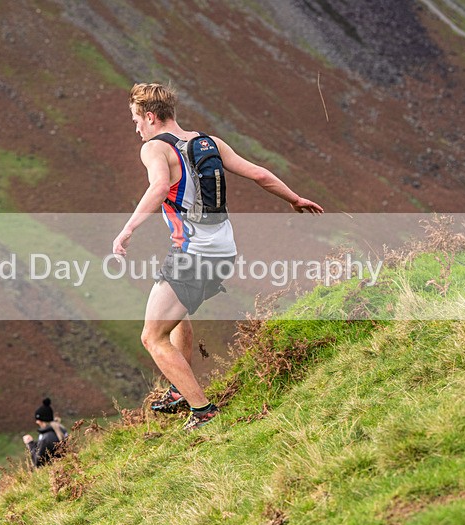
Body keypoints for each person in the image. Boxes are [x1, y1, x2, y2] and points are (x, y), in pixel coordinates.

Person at [113, 82, 323, 431]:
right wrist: (294, 198)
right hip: (222, 248)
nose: (136, 127)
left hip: (195, 252)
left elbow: (159, 187)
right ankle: (180, 391)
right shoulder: (207, 142)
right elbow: (258, 173)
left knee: (152, 337)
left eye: (136, 119)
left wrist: (127, 230)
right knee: (173, 313)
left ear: (150, 117)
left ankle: (203, 410)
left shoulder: (154, 148)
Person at [22, 398, 68, 467]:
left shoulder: (46, 438)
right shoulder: (60, 428)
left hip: (55, 471)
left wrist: (30, 444)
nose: (36, 422)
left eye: (37, 420)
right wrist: (35, 444)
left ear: (41, 421)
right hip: (65, 465)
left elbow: (38, 462)